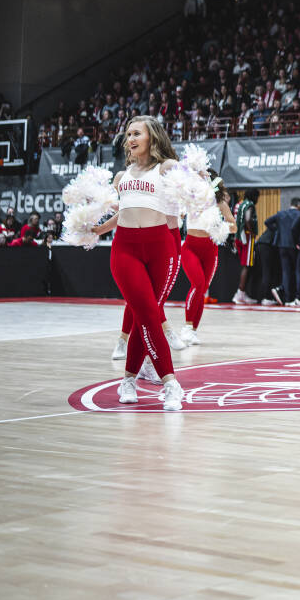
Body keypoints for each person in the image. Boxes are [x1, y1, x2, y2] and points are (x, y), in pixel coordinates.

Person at [92, 116, 185, 411]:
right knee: (147, 313)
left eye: (136, 133)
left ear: (152, 137)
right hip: (125, 249)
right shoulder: (122, 176)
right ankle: (171, 384)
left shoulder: (166, 168)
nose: (130, 139)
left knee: (146, 315)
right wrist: (99, 229)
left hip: (160, 247)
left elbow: (188, 191)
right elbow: (124, 211)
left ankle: (128, 380)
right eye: (128, 134)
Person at [178, 171, 236, 346]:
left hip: (210, 251)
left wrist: (220, 227)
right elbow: (177, 215)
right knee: (197, 284)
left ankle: (193, 331)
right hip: (190, 248)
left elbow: (233, 226)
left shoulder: (218, 203)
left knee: (202, 289)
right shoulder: (190, 199)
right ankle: (187, 327)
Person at [271, 198, 300, 306]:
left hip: (281, 245)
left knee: (286, 272)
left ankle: (287, 298)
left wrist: (278, 230)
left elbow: (267, 222)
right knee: (297, 271)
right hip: (294, 245)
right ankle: (296, 297)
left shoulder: (281, 213)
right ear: (299, 205)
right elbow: (297, 229)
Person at [231, 188, 260, 305]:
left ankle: (242, 294)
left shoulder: (239, 204)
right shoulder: (250, 205)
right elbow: (248, 219)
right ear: (254, 196)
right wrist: (252, 232)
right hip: (247, 237)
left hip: (238, 237)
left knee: (245, 265)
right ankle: (240, 294)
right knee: (247, 266)